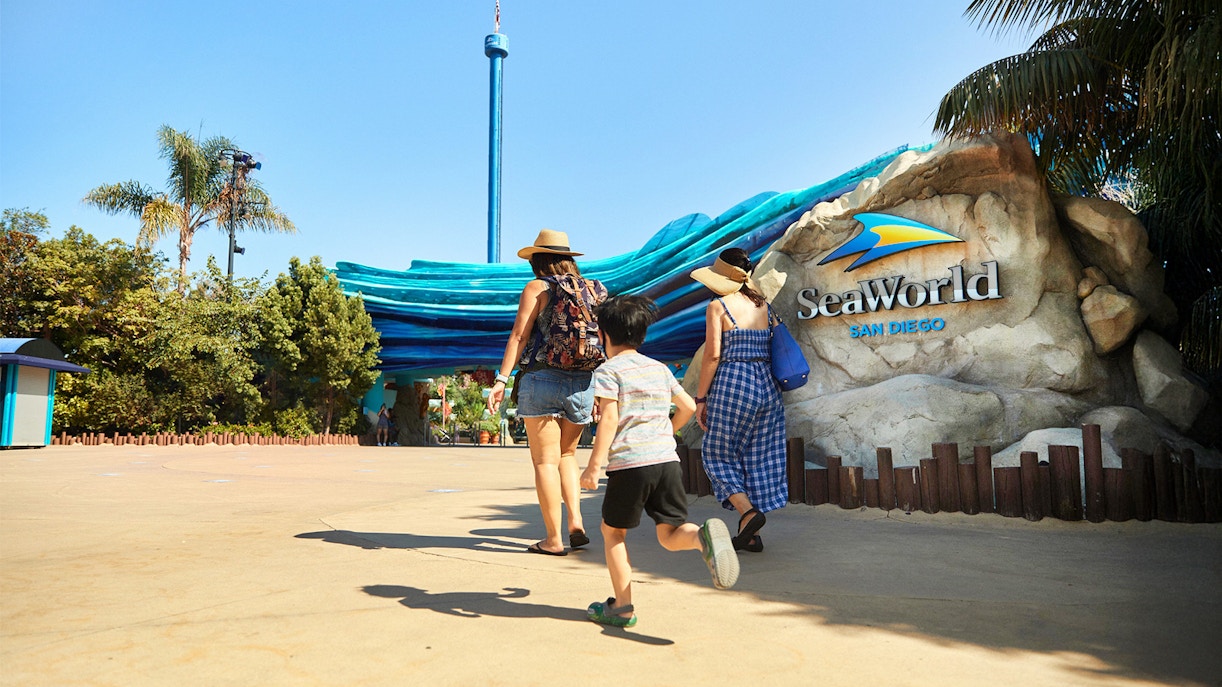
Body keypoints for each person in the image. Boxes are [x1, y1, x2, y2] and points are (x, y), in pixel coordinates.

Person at [579, 295, 739, 627]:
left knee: (612, 533)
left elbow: (609, 420)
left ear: (605, 335)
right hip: (667, 460)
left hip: (630, 464)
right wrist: (665, 432)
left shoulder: (608, 371)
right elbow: (689, 408)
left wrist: (595, 464)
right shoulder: (659, 368)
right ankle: (701, 537)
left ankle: (622, 607)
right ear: (641, 335)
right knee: (671, 534)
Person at [487, 229, 605, 555]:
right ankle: (576, 525)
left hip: (542, 379)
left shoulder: (538, 287)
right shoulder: (592, 290)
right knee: (568, 455)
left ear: (538, 260)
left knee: (544, 462)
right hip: (583, 381)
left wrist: (501, 380)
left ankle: (553, 540)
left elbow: (518, 337)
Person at [690, 248, 788, 552]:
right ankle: (751, 533)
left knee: (717, 455)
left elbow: (713, 355)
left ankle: (748, 512)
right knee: (757, 457)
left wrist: (701, 398)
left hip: (733, 384)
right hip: (767, 387)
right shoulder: (764, 306)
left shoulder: (718, 306)